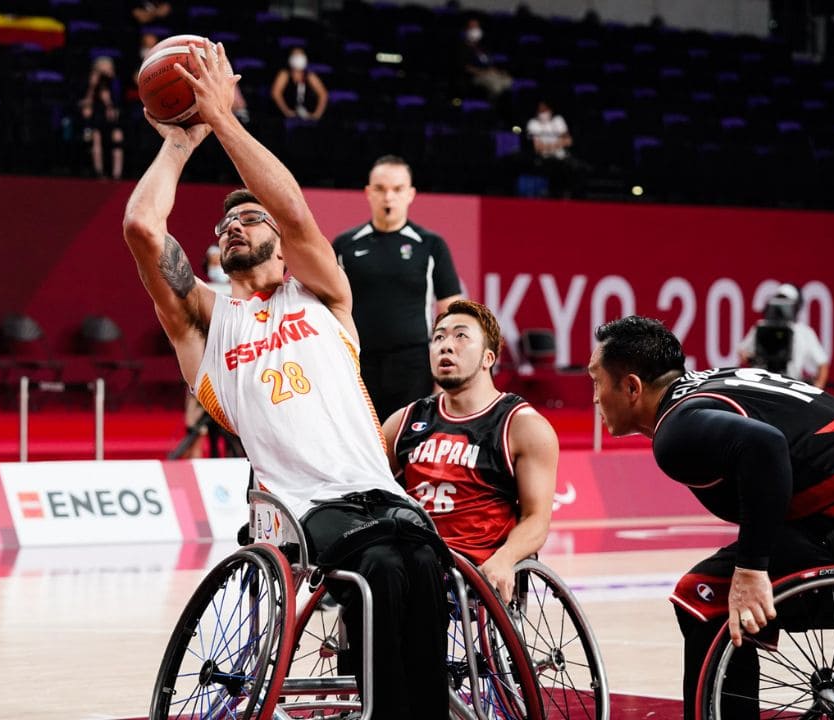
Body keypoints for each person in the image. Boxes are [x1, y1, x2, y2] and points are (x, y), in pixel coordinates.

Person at [122, 42, 447, 718]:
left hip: (378, 491)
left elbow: (295, 211)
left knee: (423, 562)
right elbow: (142, 228)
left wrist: (228, 120)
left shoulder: (323, 294)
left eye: (247, 218)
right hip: (301, 511)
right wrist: (184, 142)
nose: (231, 227)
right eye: (223, 225)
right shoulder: (208, 319)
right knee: (384, 570)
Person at [588, 315, 834, 720]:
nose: (595, 397)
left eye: (596, 381)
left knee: (704, 597)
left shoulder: (677, 430)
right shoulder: (718, 381)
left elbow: (766, 446)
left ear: (632, 387)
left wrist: (751, 569)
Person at [384, 300, 558, 603]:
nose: (446, 346)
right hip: (411, 557)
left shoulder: (523, 426)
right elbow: (367, 487)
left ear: (488, 357)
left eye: (460, 336)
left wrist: (506, 558)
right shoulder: (404, 421)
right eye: (438, 337)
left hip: (473, 566)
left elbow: (536, 520)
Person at [333, 155, 464, 419]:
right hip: (356, 364)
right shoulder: (344, 245)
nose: (388, 197)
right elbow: (324, 306)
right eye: (380, 189)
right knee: (361, 449)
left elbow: (451, 311)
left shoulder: (430, 245)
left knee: (409, 447)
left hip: (413, 365)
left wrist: (445, 373)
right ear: (368, 193)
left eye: (397, 189)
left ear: (411, 194)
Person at [737, 282, 830, 388]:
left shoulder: (804, 332)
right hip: (762, 383)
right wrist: (751, 358)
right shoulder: (762, 327)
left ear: (795, 306)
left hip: (791, 386)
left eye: (786, 301)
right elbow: (742, 352)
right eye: (779, 299)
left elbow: (822, 363)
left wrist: (818, 388)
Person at [79, 55, 125, 180]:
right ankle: (99, 173)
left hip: (111, 121)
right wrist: (92, 86)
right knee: (96, 136)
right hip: (94, 121)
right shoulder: (91, 84)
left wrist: (108, 102)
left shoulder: (115, 84)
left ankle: (117, 175)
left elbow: (116, 112)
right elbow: (85, 109)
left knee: (117, 136)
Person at [270, 47, 328, 121]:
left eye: (300, 55)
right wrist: (286, 111)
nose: (298, 58)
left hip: (306, 115)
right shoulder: (284, 74)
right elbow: (275, 93)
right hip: (286, 116)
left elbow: (323, 94)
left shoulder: (310, 76)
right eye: (296, 55)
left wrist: (316, 115)